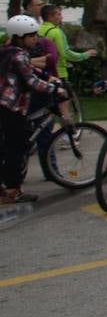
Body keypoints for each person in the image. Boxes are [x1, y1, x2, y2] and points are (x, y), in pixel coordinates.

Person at [0, 15, 67, 204]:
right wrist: (55, 87)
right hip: (11, 106)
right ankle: (13, 191)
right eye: (31, 36)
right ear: (20, 36)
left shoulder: (7, 51)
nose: (35, 39)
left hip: (4, 105)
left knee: (4, 147)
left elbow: (29, 69)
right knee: (16, 148)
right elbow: (31, 81)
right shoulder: (19, 54)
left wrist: (48, 76)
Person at [37, 4, 97, 118]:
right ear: (50, 16)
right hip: (58, 72)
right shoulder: (56, 32)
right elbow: (66, 53)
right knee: (64, 105)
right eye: (58, 14)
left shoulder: (38, 29)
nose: (61, 17)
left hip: (41, 71)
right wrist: (85, 55)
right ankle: (68, 132)